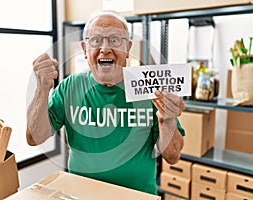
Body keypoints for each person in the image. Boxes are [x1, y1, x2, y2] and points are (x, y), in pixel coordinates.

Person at [26, 10, 185, 195]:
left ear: (127, 48)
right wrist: (42, 89)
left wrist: (168, 120)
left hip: (138, 195)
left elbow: (173, 156)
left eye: (115, 40)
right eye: (96, 40)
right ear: (85, 49)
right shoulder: (70, 86)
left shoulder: (150, 88)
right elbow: (34, 138)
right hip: (82, 194)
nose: (105, 48)